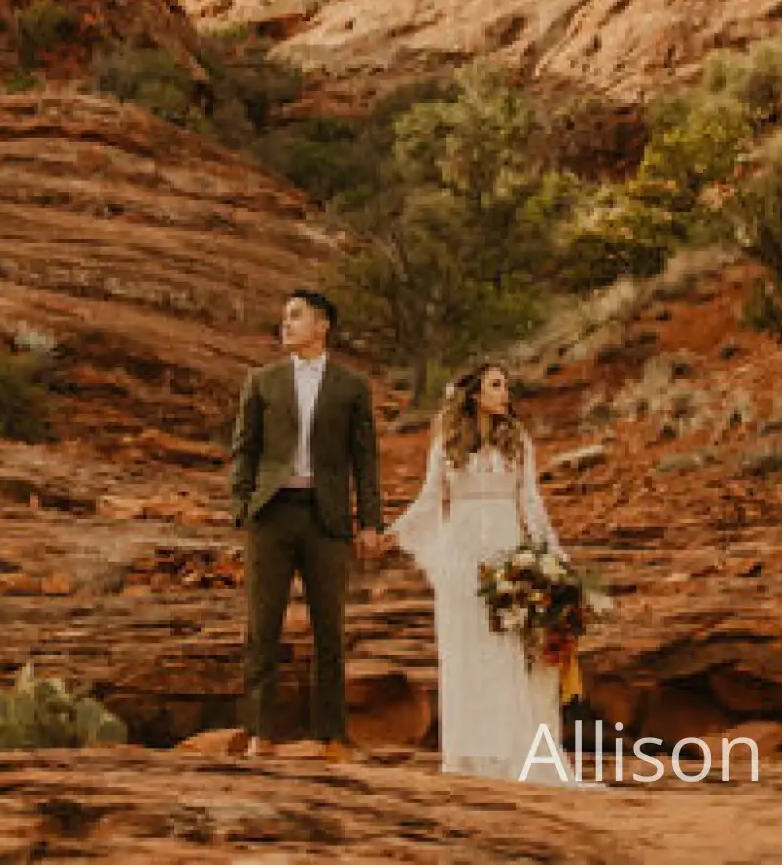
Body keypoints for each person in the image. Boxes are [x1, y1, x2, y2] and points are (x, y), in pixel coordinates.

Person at [387, 363, 575, 783]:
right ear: (474, 394)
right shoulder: (448, 441)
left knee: (506, 650)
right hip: (462, 556)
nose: (505, 392)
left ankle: (508, 750)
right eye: (495, 385)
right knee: (465, 650)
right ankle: (468, 753)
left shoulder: (518, 440)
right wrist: (395, 531)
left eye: (505, 384)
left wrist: (552, 554)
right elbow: (430, 498)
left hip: (507, 553)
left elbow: (531, 501)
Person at [228, 287, 385, 759]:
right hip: (271, 515)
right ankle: (259, 733)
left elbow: (366, 461)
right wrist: (243, 508)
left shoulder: (351, 387)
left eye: (296, 316)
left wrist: (371, 521)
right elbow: (244, 451)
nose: (286, 324)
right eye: (285, 317)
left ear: (322, 326)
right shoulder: (262, 381)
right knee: (262, 626)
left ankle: (331, 736)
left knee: (329, 630)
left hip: (327, 517)